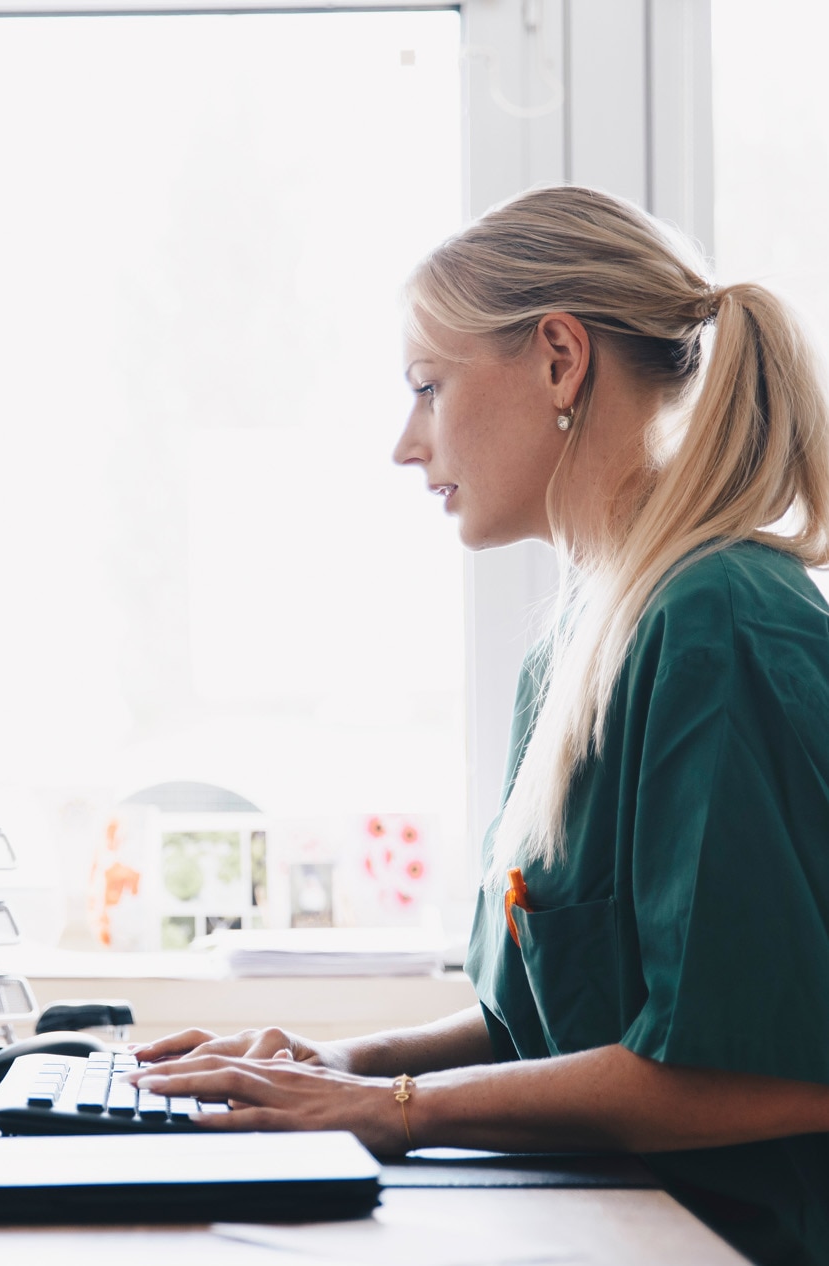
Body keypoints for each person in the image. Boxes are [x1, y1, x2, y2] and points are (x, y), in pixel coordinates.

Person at [127, 185, 829, 1266]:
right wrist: (340, 1066)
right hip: (596, 1224)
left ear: (559, 358)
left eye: (427, 387)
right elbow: (541, 1023)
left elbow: (763, 1068)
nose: (408, 445)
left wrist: (405, 1108)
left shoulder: (719, 623)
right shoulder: (571, 653)